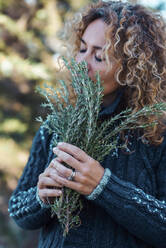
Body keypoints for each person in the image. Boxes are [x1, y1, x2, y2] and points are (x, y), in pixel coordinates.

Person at [8, 1, 166, 247]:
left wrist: (104, 186)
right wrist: (40, 197)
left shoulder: (156, 133)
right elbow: (17, 210)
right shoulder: (56, 125)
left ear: (132, 68)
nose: (83, 63)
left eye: (99, 56)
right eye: (82, 49)